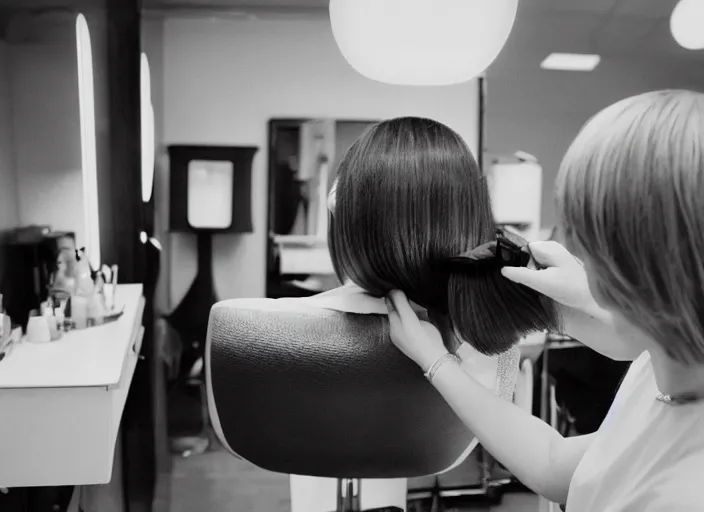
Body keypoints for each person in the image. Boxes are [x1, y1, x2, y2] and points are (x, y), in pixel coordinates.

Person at [386, 89, 704, 511]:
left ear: (635, 268)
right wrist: (438, 362)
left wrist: (437, 361)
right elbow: (557, 464)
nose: (577, 254)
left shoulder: (683, 493)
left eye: (584, 239)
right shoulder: (664, 365)